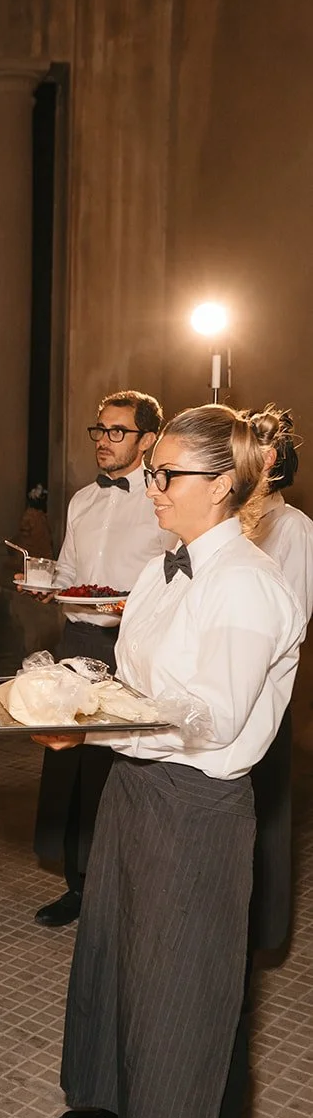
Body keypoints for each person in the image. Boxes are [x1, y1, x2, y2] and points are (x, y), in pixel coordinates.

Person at [45, 404, 304, 1118]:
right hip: (132, 787)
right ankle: (123, 1100)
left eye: (165, 475)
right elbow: (132, 681)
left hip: (196, 805)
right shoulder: (164, 570)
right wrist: (66, 698)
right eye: (149, 471)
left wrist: (96, 721)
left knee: (185, 991)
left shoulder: (246, 584)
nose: (148, 487)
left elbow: (214, 719)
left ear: (222, 484)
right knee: (120, 952)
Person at [32, 389, 171, 927]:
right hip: (77, 643)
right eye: (100, 430)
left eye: (118, 432)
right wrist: (48, 585)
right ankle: (78, 885)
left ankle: (119, 890)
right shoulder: (81, 500)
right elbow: (70, 572)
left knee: (118, 768)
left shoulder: (162, 501)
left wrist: (128, 602)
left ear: (148, 440)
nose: (104, 442)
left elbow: (173, 578)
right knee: (69, 763)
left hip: (131, 647)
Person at [245, 407, 313, 950]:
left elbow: (290, 619)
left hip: (263, 689)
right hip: (228, 685)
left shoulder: (294, 527)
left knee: (265, 809)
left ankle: (264, 932)